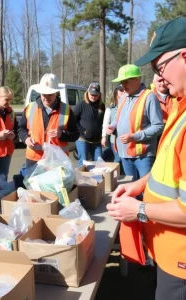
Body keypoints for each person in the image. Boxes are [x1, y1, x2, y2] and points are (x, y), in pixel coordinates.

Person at [107, 17, 186, 300]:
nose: (159, 77)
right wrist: (140, 185)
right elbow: (170, 168)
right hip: (170, 255)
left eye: (160, 67)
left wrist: (139, 210)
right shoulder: (180, 104)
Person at [106, 64, 163, 181]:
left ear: (137, 79)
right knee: (131, 186)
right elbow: (118, 118)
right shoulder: (123, 97)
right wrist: (112, 126)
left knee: (144, 189)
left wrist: (134, 137)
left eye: (126, 81)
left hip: (142, 156)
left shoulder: (149, 97)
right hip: (124, 153)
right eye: (121, 82)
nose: (123, 85)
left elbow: (158, 126)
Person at [18, 73, 79, 169]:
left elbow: (75, 134)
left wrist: (61, 134)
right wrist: (26, 138)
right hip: (34, 158)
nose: (46, 97)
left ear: (56, 93)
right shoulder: (30, 108)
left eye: (50, 94)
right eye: (44, 94)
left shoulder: (66, 110)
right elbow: (21, 129)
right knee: (33, 184)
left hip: (57, 160)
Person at [74, 82, 105, 167]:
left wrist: (103, 135)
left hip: (97, 140)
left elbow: (103, 122)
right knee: (83, 162)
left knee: (99, 163)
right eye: (91, 94)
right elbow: (73, 120)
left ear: (99, 95)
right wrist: (82, 130)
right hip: (83, 139)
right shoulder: (81, 105)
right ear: (87, 93)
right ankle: (83, 180)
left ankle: (97, 180)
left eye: (96, 95)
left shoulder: (101, 106)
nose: (93, 96)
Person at [101, 85, 124, 173]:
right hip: (114, 140)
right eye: (121, 90)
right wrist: (103, 136)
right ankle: (115, 178)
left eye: (124, 90)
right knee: (117, 159)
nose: (123, 92)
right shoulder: (110, 108)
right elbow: (106, 124)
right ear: (116, 92)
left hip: (127, 139)